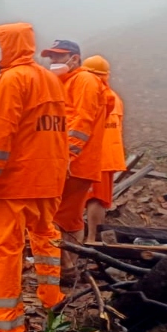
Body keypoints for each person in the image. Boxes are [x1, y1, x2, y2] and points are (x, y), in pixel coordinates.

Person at [0, 23, 69, 332]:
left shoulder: (12, 79)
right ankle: (52, 300)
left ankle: (6, 330)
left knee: (5, 251)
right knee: (46, 239)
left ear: (11, 45)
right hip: (49, 178)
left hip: (14, 182)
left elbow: (0, 136)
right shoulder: (49, 79)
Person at [40, 39, 109, 285]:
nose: (53, 62)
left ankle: (64, 270)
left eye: (59, 57)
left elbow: (82, 120)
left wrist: (68, 154)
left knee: (55, 217)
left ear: (75, 58)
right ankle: (69, 267)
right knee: (68, 218)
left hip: (73, 163)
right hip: (71, 162)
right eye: (51, 57)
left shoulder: (85, 81)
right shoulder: (66, 82)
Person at [82, 55, 126, 243]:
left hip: (94, 155)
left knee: (93, 199)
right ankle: (92, 238)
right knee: (97, 198)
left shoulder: (92, 93)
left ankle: (91, 240)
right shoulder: (115, 97)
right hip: (109, 156)